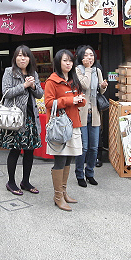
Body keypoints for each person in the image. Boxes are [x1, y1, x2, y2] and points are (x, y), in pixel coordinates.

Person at [0, 46, 43, 195]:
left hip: (30, 118)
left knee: (29, 152)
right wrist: (24, 85)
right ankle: (11, 182)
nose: (23, 58)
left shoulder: (33, 73)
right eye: (20, 55)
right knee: (15, 150)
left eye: (26, 56)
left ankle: (25, 181)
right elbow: (6, 93)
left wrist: (33, 85)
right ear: (15, 58)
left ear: (30, 59)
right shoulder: (9, 72)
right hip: (15, 119)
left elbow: (40, 94)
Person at [43, 49, 86, 211]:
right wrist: (70, 100)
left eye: (70, 61)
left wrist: (80, 100)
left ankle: (63, 192)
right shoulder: (52, 81)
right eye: (65, 61)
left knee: (69, 160)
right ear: (58, 62)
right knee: (60, 161)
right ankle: (57, 196)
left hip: (73, 124)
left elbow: (79, 99)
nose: (69, 64)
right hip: (59, 127)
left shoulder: (74, 79)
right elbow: (48, 103)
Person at [74, 45, 108, 187]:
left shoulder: (97, 70)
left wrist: (103, 86)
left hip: (94, 113)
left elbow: (100, 90)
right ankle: (79, 174)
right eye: (86, 55)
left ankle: (90, 173)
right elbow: (85, 85)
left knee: (94, 147)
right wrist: (88, 69)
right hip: (81, 113)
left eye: (92, 55)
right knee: (83, 147)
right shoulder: (77, 70)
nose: (90, 57)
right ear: (81, 57)